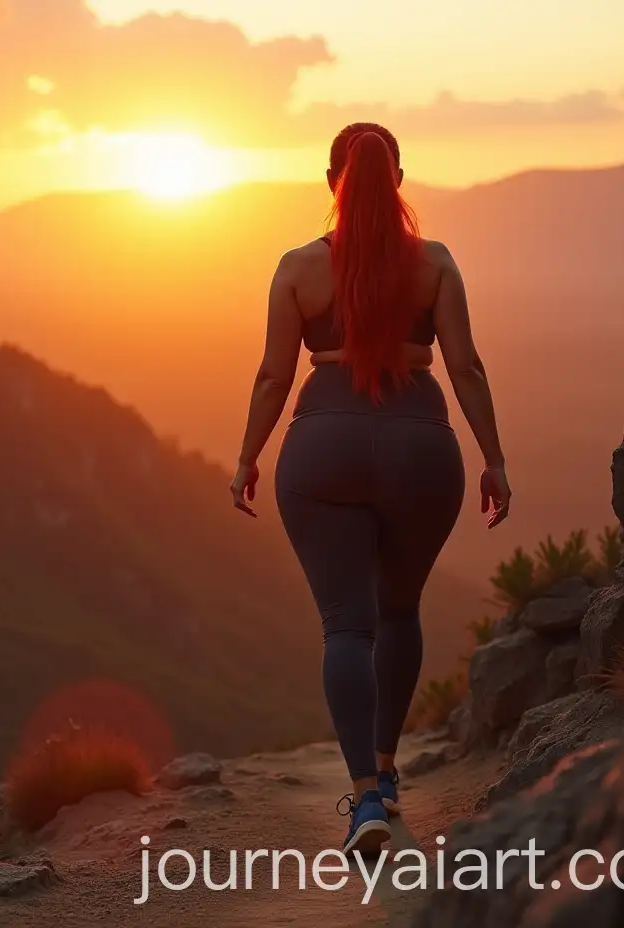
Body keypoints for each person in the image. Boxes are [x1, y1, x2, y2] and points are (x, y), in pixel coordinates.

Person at [229, 123, 511, 855]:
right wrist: (494, 459)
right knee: (400, 608)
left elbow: (272, 375)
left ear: (333, 183)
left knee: (346, 627)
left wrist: (248, 457)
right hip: (421, 443)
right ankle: (387, 773)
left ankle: (362, 802)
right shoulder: (437, 263)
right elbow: (467, 367)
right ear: (399, 181)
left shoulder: (296, 268)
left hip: (323, 444)